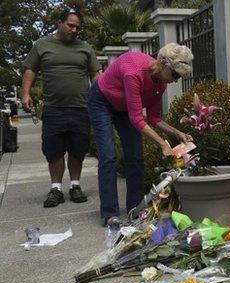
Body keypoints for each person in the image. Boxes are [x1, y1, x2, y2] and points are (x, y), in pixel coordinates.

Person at [87, 43, 194, 226]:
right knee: (108, 156)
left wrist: (178, 133)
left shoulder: (160, 83)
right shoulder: (133, 72)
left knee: (135, 157)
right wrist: (162, 143)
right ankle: (110, 213)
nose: (175, 80)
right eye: (175, 75)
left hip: (125, 108)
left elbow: (154, 117)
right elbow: (137, 118)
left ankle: (135, 209)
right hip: (102, 101)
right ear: (162, 63)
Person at [21, 8, 101, 207]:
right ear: (59, 22)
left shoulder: (85, 48)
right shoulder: (41, 45)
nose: (74, 30)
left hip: (81, 108)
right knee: (54, 151)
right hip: (54, 109)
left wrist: (99, 99)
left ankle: (75, 186)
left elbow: (96, 76)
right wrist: (25, 93)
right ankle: (56, 189)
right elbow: (30, 70)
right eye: (70, 25)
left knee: (78, 150)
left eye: (77, 27)